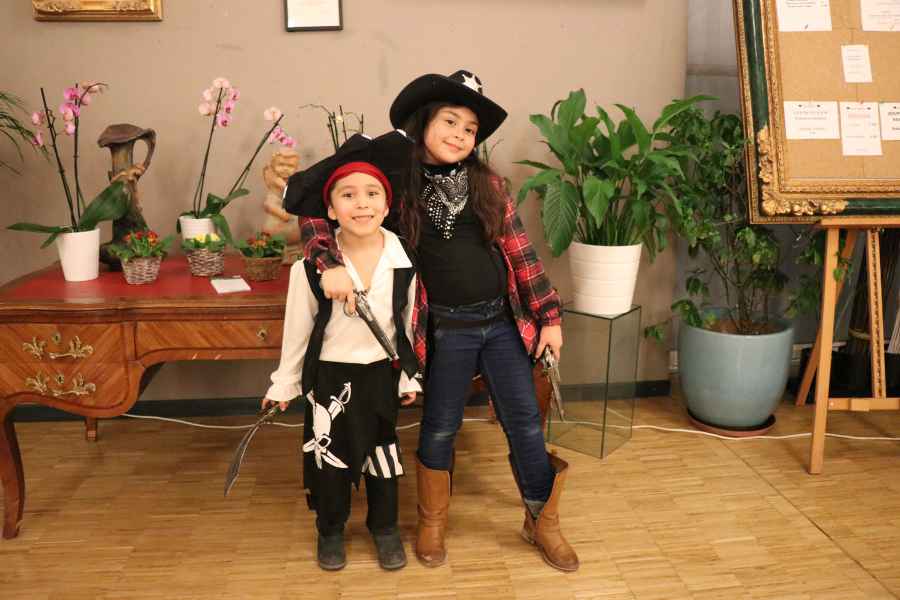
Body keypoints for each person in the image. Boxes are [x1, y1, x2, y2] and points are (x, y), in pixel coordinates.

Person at [297, 70, 579, 572]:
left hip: (502, 322)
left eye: (470, 129)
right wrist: (329, 262)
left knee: (524, 424)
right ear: (424, 122)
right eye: (450, 121)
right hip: (446, 328)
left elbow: (521, 252)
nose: (460, 134)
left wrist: (549, 316)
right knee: (441, 427)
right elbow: (317, 204)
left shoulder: (488, 184)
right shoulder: (394, 178)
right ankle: (432, 522)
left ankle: (543, 520)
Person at [263, 130, 421, 572]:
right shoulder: (311, 269)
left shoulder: (404, 261)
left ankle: (385, 527)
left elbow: (407, 324)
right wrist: (284, 383)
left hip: (381, 373)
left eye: (372, 194)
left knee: (383, 455)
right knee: (327, 458)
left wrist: (408, 374)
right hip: (330, 375)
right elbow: (297, 331)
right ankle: (330, 530)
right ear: (330, 209)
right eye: (348, 195)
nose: (362, 203)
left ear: (387, 206)